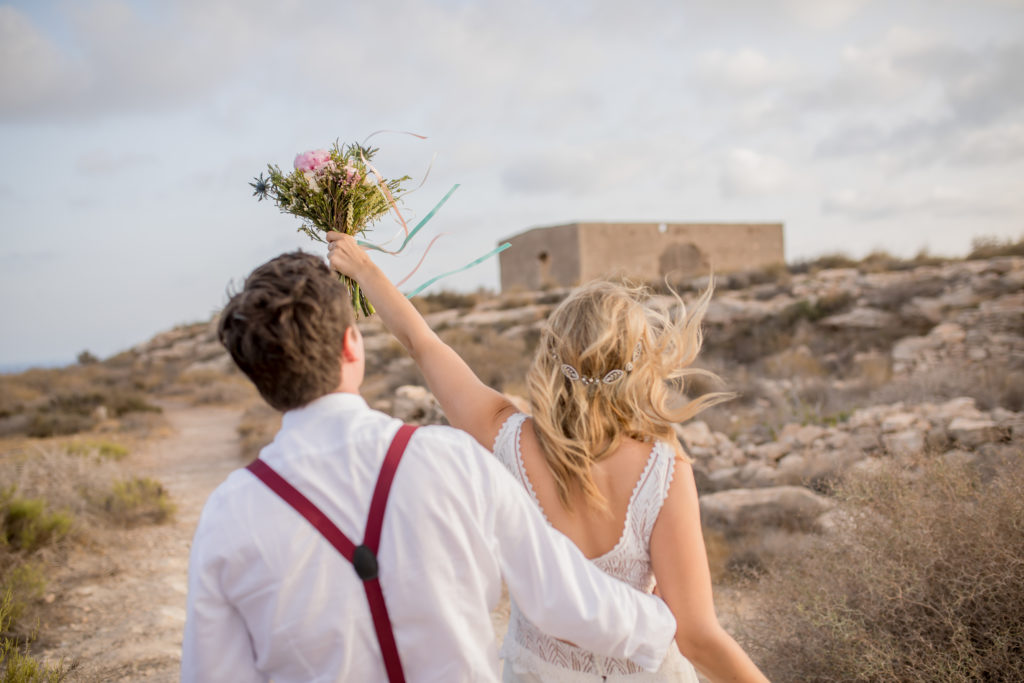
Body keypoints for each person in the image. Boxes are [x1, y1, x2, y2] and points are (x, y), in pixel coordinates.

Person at [181, 252, 679, 682]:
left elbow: (216, 674)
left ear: (255, 375)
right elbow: (560, 597)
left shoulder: (228, 513)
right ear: (351, 345)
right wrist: (660, 625)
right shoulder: (451, 460)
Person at [327, 232, 771, 682]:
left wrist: (363, 268)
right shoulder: (663, 469)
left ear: (552, 357)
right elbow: (697, 635)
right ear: (642, 363)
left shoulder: (506, 438)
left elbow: (422, 343)